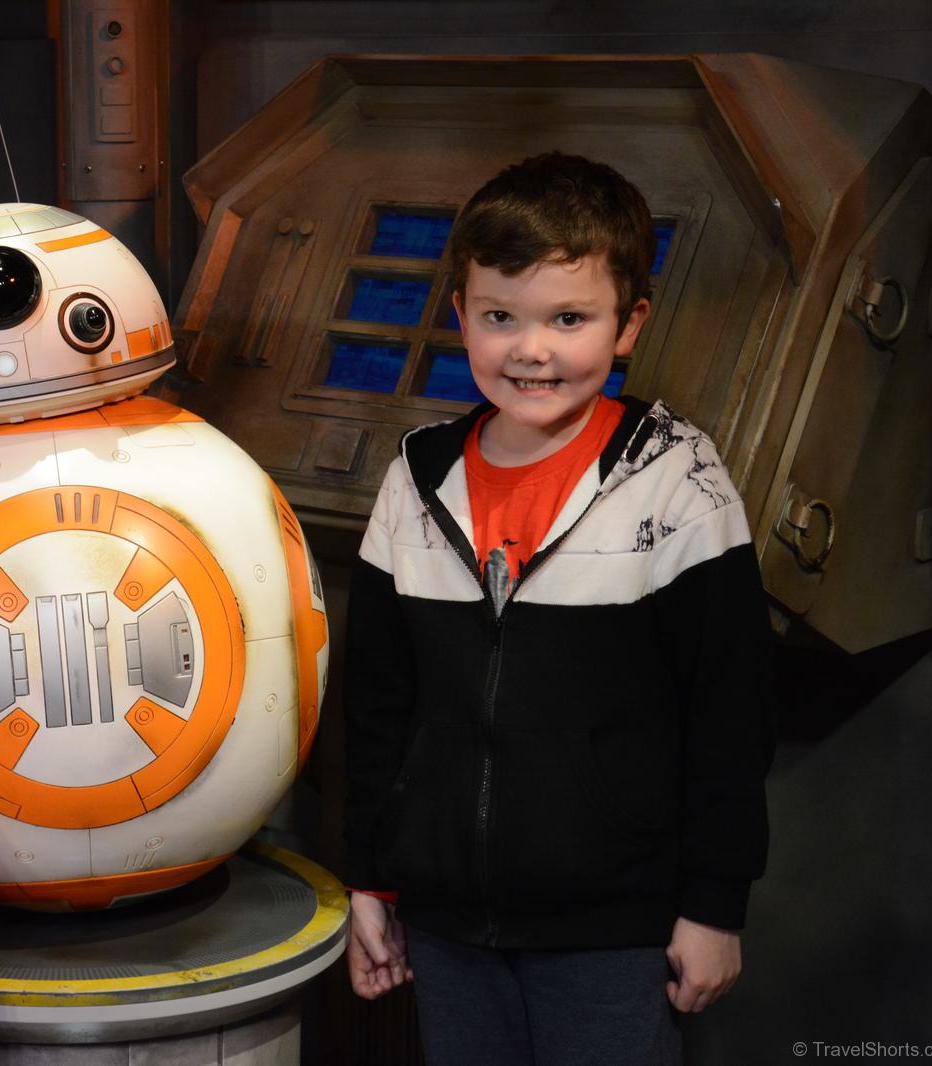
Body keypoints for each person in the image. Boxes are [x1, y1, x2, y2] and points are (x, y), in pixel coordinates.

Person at [343, 152, 774, 1064]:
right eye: (499, 316)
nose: (530, 349)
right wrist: (372, 881)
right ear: (460, 313)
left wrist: (715, 906)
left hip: (614, 931)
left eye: (568, 319)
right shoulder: (416, 480)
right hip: (448, 927)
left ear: (629, 325)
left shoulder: (678, 482)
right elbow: (377, 708)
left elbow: (731, 714)